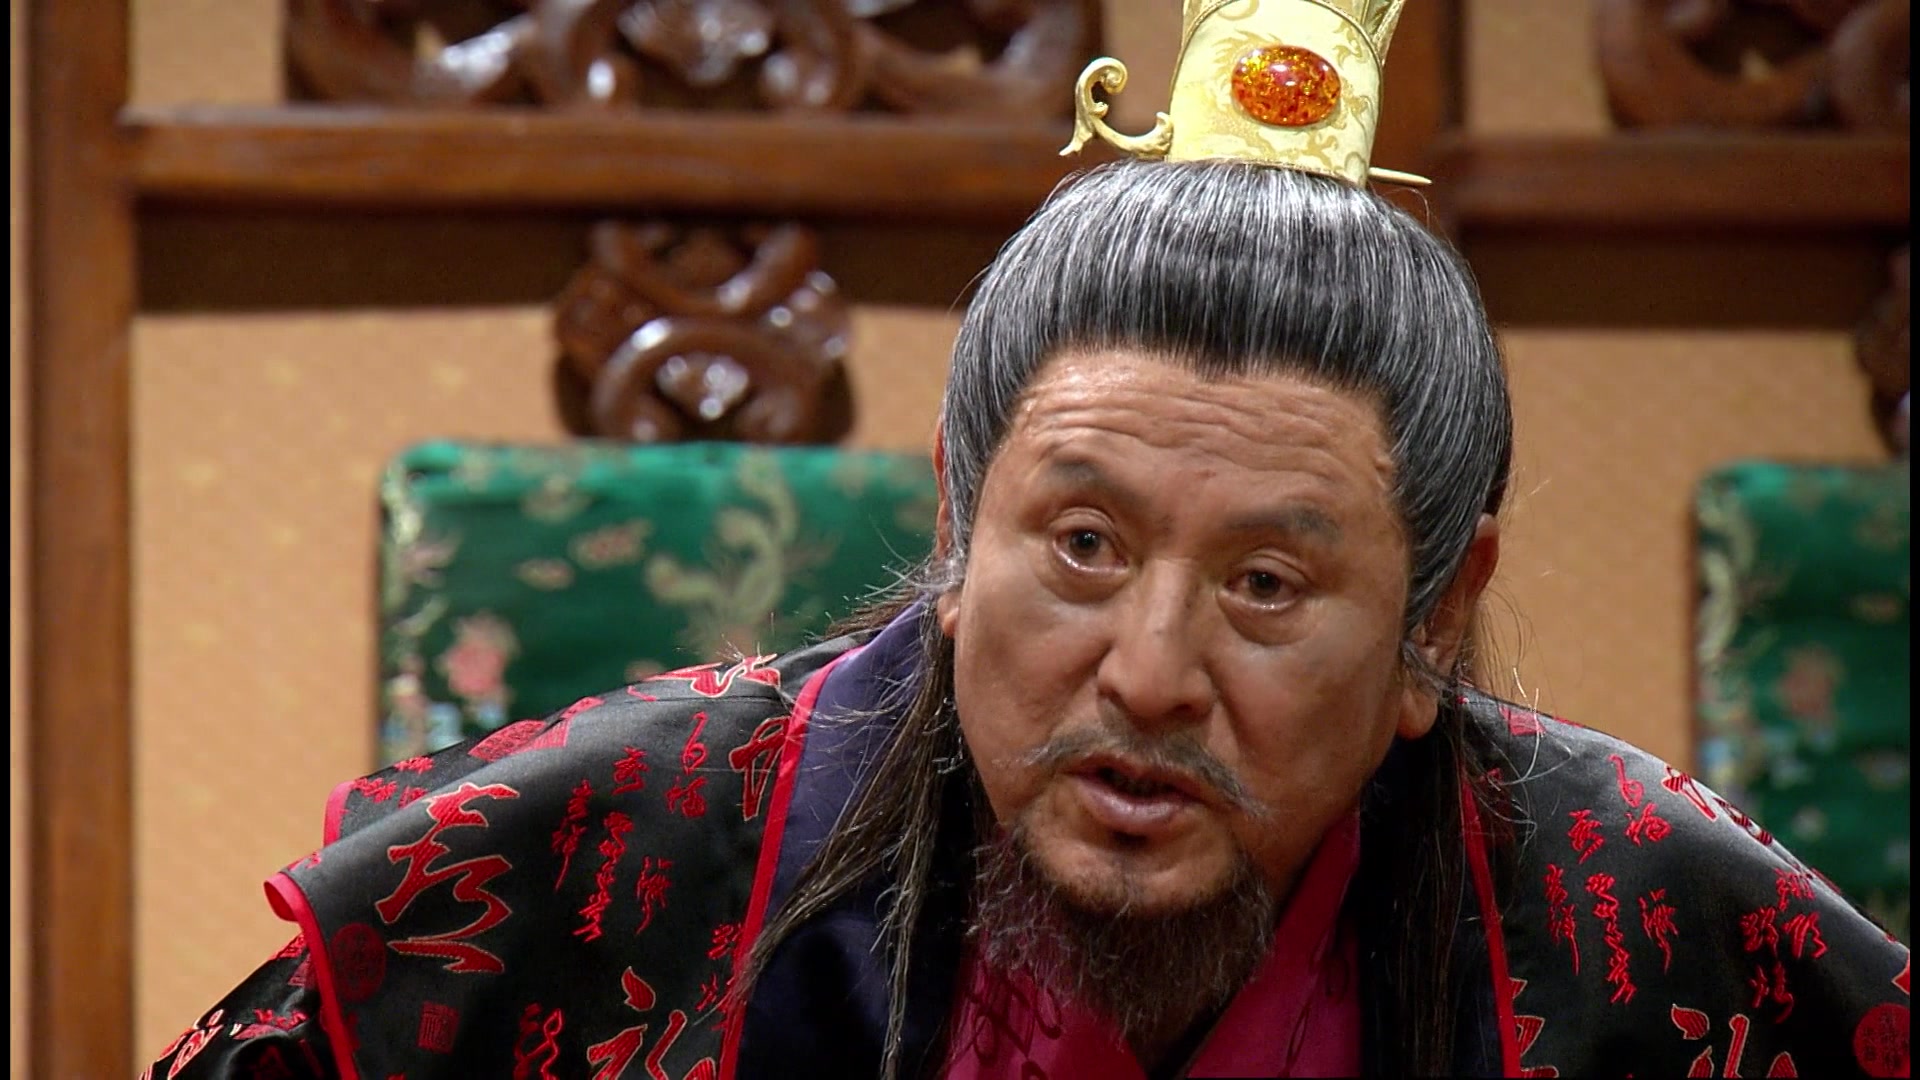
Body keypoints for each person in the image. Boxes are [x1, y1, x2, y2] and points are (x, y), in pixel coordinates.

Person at [148, 1, 1910, 1077]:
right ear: (952, 520)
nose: (1148, 674)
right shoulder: (601, 873)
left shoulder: (1661, 937)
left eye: (1267, 585)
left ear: (1437, 623)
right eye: (1080, 544)